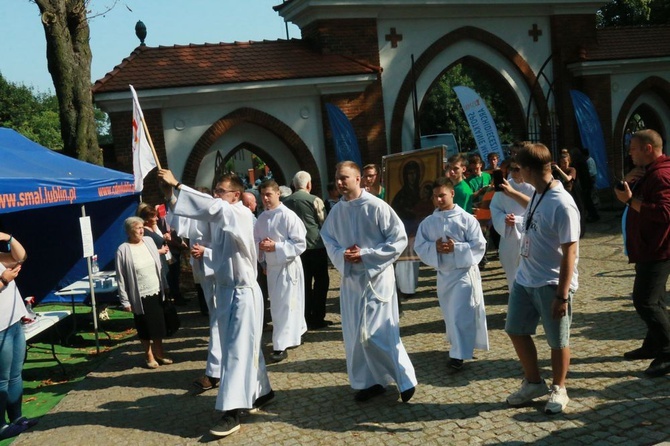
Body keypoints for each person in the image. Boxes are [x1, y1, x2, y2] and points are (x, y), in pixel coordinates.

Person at [158, 169, 273, 438]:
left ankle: (231, 411)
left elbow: (213, 208)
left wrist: (178, 183)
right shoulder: (221, 217)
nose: (216, 195)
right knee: (243, 347)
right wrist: (170, 196)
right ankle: (264, 391)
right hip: (225, 292)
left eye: (221, 191)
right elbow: (192, 222)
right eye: (216, 192)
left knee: (236, 351)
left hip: (243, 293)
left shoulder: (241, 214)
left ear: (235, 195)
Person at [320, 161, 417, 403]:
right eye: (337, 178)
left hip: (376, 278)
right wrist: (342, 254)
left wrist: (365, 254)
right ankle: (370, 382)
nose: (340, 182)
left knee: (375, 332)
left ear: (358, 178)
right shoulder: (337, 211)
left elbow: (399, 239)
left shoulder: (376, 206)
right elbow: (328, 239)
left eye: (345, 177)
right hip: (352, 280)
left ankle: (405, 379)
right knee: (354, 335)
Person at [503, 143, 579, 415]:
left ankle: (559, 388)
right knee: (515, 329)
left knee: (557, 340)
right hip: (526, 278)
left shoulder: (562, 203)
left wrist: (562, 295)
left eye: (517, 169)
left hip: (551, 282)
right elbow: (536, 209)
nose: (515, 173)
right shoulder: (539, 193)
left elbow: (570, 250)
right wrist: (513, 193)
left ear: (528, 169)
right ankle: (534, 382)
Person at [414, 178, 489, 371]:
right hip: (444, 274)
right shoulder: (429, 222)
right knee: (450, 314)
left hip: (463, 273)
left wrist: (457, 248)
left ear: (452, 194)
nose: (438, 200)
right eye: (435, 196)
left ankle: (457, 356)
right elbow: (420, 246)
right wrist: (435, 247)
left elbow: (479, 245)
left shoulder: (466, 219)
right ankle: (460, 346)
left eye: (442, 195)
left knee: (460, 314)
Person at [614, 129, 670, 377]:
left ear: (648, 148)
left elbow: (664, 213)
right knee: (655, 300)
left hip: (658, 249)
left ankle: (667, 351)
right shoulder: (648, 173)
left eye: (633, 148)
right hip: (648, 247)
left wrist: (630, 200)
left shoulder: (661, 175)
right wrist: (627, 182)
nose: (630, 152)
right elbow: (623, 193)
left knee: (645, 302)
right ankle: (653, 344)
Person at [255, 179, 308, 362]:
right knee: (279, 305)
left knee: (286, 305)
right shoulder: (261, 218)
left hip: (288, 265)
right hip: (272, 267)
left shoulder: (288, 215)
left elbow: (300, 243)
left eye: (269, 194)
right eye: (262, 195)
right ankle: (292, 335)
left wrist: (276, 246)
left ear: (278, 193)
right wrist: (261, 250)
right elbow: (255, 241)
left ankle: (280, 345)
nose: (265, 199)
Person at [116, 217, 173, 369]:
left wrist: (165, 285)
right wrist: (125, 301)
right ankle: (149, 355)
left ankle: (159, 353)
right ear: (129, 231)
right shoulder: (123, 249)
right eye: (137, 228)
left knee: (159, 325)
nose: (141, 230)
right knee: (145, 326)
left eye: (142, 227)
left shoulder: (149, 241)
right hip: (139, 295)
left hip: (156, 289)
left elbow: (159, 264)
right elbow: (120, 277)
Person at [0, 233, 38, 441]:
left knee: (16, 373)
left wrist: (7, 237)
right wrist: (3, 280)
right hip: (0, 329)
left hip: (14, 320)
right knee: (1, 379)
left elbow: (20, 256)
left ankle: (17, 418)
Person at [283, 171, 332, 330]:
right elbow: (323, 222)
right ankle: (318, 317)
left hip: (296, 250)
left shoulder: (285, 202)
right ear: (309, 184)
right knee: (321, 283)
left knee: (303, 284)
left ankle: (305, 317)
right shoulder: (315, 200)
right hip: (316, 247)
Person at [490, 158, 535, 291]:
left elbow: (538, 211)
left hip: (528, 235)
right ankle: (514, 293)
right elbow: (495, 208)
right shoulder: (504, 187)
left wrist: (518, 220)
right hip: (509, 235)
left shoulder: (532, 187)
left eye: (517, 169)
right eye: (512, 169)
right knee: (511, 269)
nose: (514, 172)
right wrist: (504, 219)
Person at [137, 204, 173, 300]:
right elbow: (144, 250)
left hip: (162, 261)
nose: (157, 219)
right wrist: (160, 251)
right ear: (146, 219)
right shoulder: (144, 232)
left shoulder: (152, 228)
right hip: (156, 262)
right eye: (154, 216)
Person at [551, 150, 585, 237]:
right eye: (561, 162)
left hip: (572, 194)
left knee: (577, 212)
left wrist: (559, 169)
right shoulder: (556, 171)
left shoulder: (572, 170)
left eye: (565, 162)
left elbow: (568, 179)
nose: (563, 164)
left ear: (569, 162)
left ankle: (579, 232)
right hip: (561, 195)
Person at [580, 148, 600, 222]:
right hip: (590, 179)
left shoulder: (589, 161)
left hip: (591, 179)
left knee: (593, 197)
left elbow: (592, 171)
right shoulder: (587, 161)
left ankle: (595, 213)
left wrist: (587, 174)